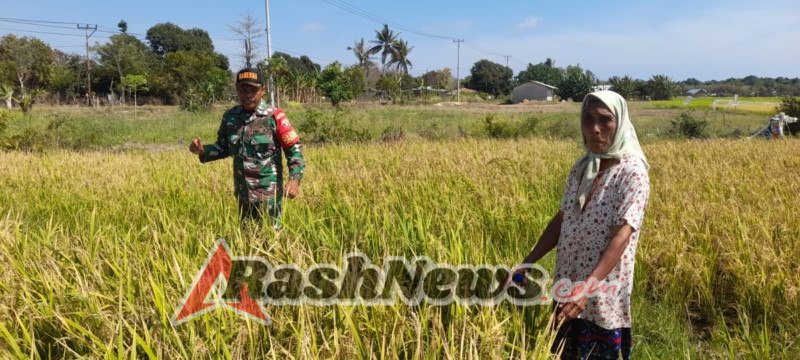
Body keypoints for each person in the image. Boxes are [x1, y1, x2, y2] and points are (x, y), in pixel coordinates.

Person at [507, 90, 650, 359]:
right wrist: (528, 262)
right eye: (588, 119)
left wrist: (586, 289)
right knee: (562, 353)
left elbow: (621, 236)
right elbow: (562, 219)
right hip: (568, 282)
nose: (595, 129)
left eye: (605, 120)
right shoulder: (582, 167)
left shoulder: (631, 171)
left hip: (601, 290)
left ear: (620, 123)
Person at [189, 68, 306, 229]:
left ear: (262, 91)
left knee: (272, 239)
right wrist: (203, 151)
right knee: (247, 238)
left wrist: (295, 179)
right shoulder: (230, 117)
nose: (248, 94)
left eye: (253, 90)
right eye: (243, 90)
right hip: (243, 194)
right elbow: (223, 147)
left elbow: (294, 149)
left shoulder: (274, 116)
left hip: (268, 194)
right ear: (237, 90)